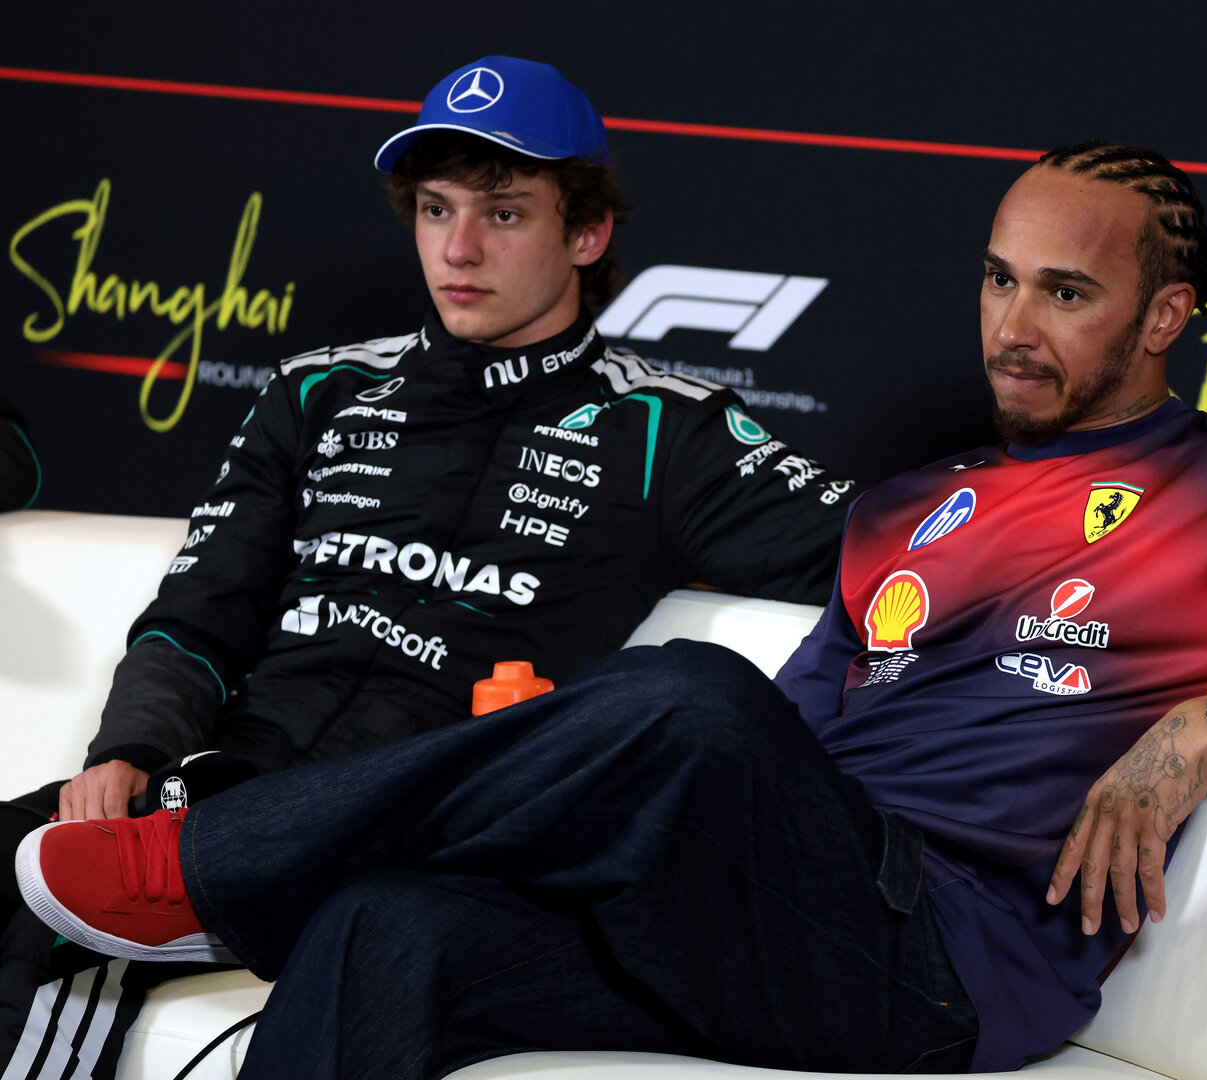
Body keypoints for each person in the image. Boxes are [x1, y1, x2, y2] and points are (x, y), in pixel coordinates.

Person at [17, 140, 1207, 1077]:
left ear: (1164, 318)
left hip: (933, 966)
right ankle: (238, 873)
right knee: (384, 929)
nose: (1012, 325)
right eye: (999, 281)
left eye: (1063, 294)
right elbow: (789, 744)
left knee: (681, 703)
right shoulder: (909, 506)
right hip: (765, 914)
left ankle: (193, 870)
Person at [0, 55, 851, 1078]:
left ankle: (215, 886)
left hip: (418, 828)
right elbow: (199, 612)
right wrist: (127, 751)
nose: (457, 248)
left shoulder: (668, 427)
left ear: (587, 233)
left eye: (502, 214)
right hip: (228, 783)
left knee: (43, 922)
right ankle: (207, 875)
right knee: (32, 860)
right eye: (435, 208)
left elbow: (895, 555)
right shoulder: (316, 390)